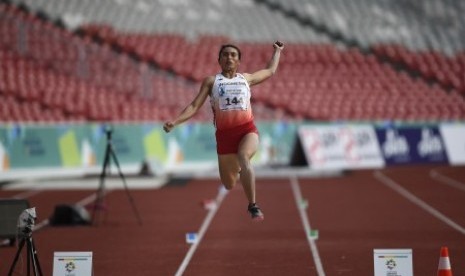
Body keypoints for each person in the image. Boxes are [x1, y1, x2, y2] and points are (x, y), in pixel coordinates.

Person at [163, 41, 284, 221]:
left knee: (244, 156)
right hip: (225, 138)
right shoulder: (211, 82)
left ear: (239, 61)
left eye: (233, 55)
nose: (229, 57)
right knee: (228, 184)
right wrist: (175, 121)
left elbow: (270, 71)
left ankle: (253, 205)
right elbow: (195, 105)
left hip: (247, 131)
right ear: (219, 60)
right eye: (225, 54)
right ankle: (242, 170)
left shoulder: (246, 79)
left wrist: (277, 51)